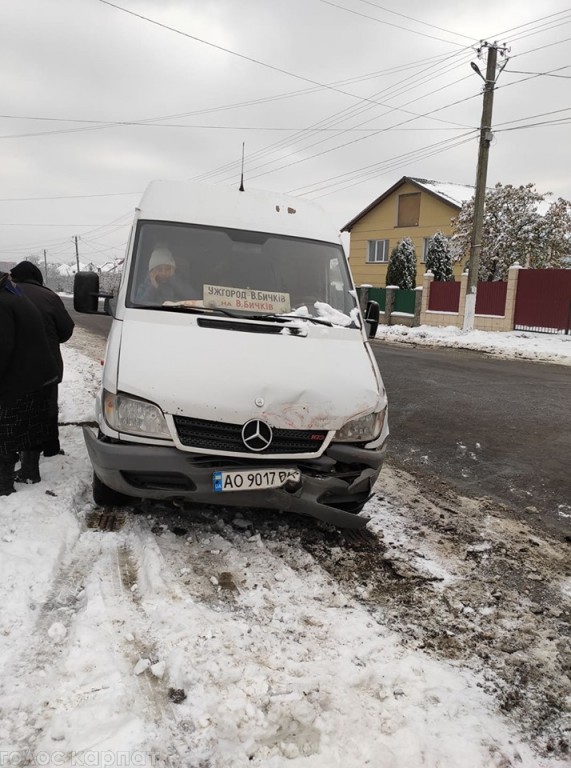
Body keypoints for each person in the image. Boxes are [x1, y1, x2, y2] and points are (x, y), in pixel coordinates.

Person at [0, 272, 59, 495]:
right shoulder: (14, 294)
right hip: (40, 376)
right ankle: (29, 472)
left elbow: (2, 348)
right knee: (31, 427)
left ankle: (3, 485)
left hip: (21, 380)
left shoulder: (3, 302)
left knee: (5, 433)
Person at [10, 260, 75, 460]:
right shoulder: (49, 296)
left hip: (11, 367)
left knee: (13, 409)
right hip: (47, 365)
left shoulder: (6, 295)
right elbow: (66, 330)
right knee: (47, 407)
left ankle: (14, 451)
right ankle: (50, 449)